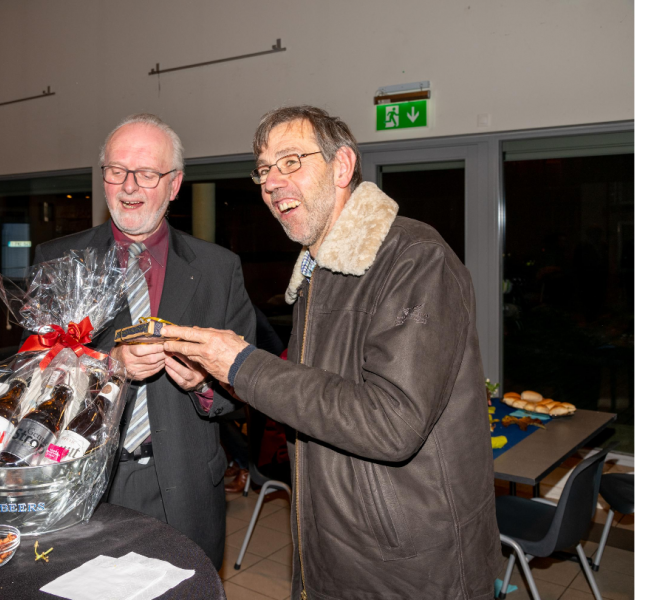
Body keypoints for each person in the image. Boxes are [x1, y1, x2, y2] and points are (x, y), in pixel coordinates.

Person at [162, 106, 500, 599]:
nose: (272, 183)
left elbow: (391, 424)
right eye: (263, 170)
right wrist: (219, 376)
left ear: (342, 167)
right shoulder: (317, 273)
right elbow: (318, 398)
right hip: (332, 548)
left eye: (291, 161)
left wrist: (242, 363)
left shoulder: (414, 259)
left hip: (410, 564)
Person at [28, 113, 255, 569]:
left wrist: (203, 383)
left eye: (147, 174)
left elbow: (248, 387)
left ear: (174, 185)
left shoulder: (218, 269)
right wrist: (109, 366)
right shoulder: (59, 261)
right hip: (83, 478)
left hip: (187, 487)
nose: (129, 187)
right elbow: (30, 385)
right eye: (116, 171)